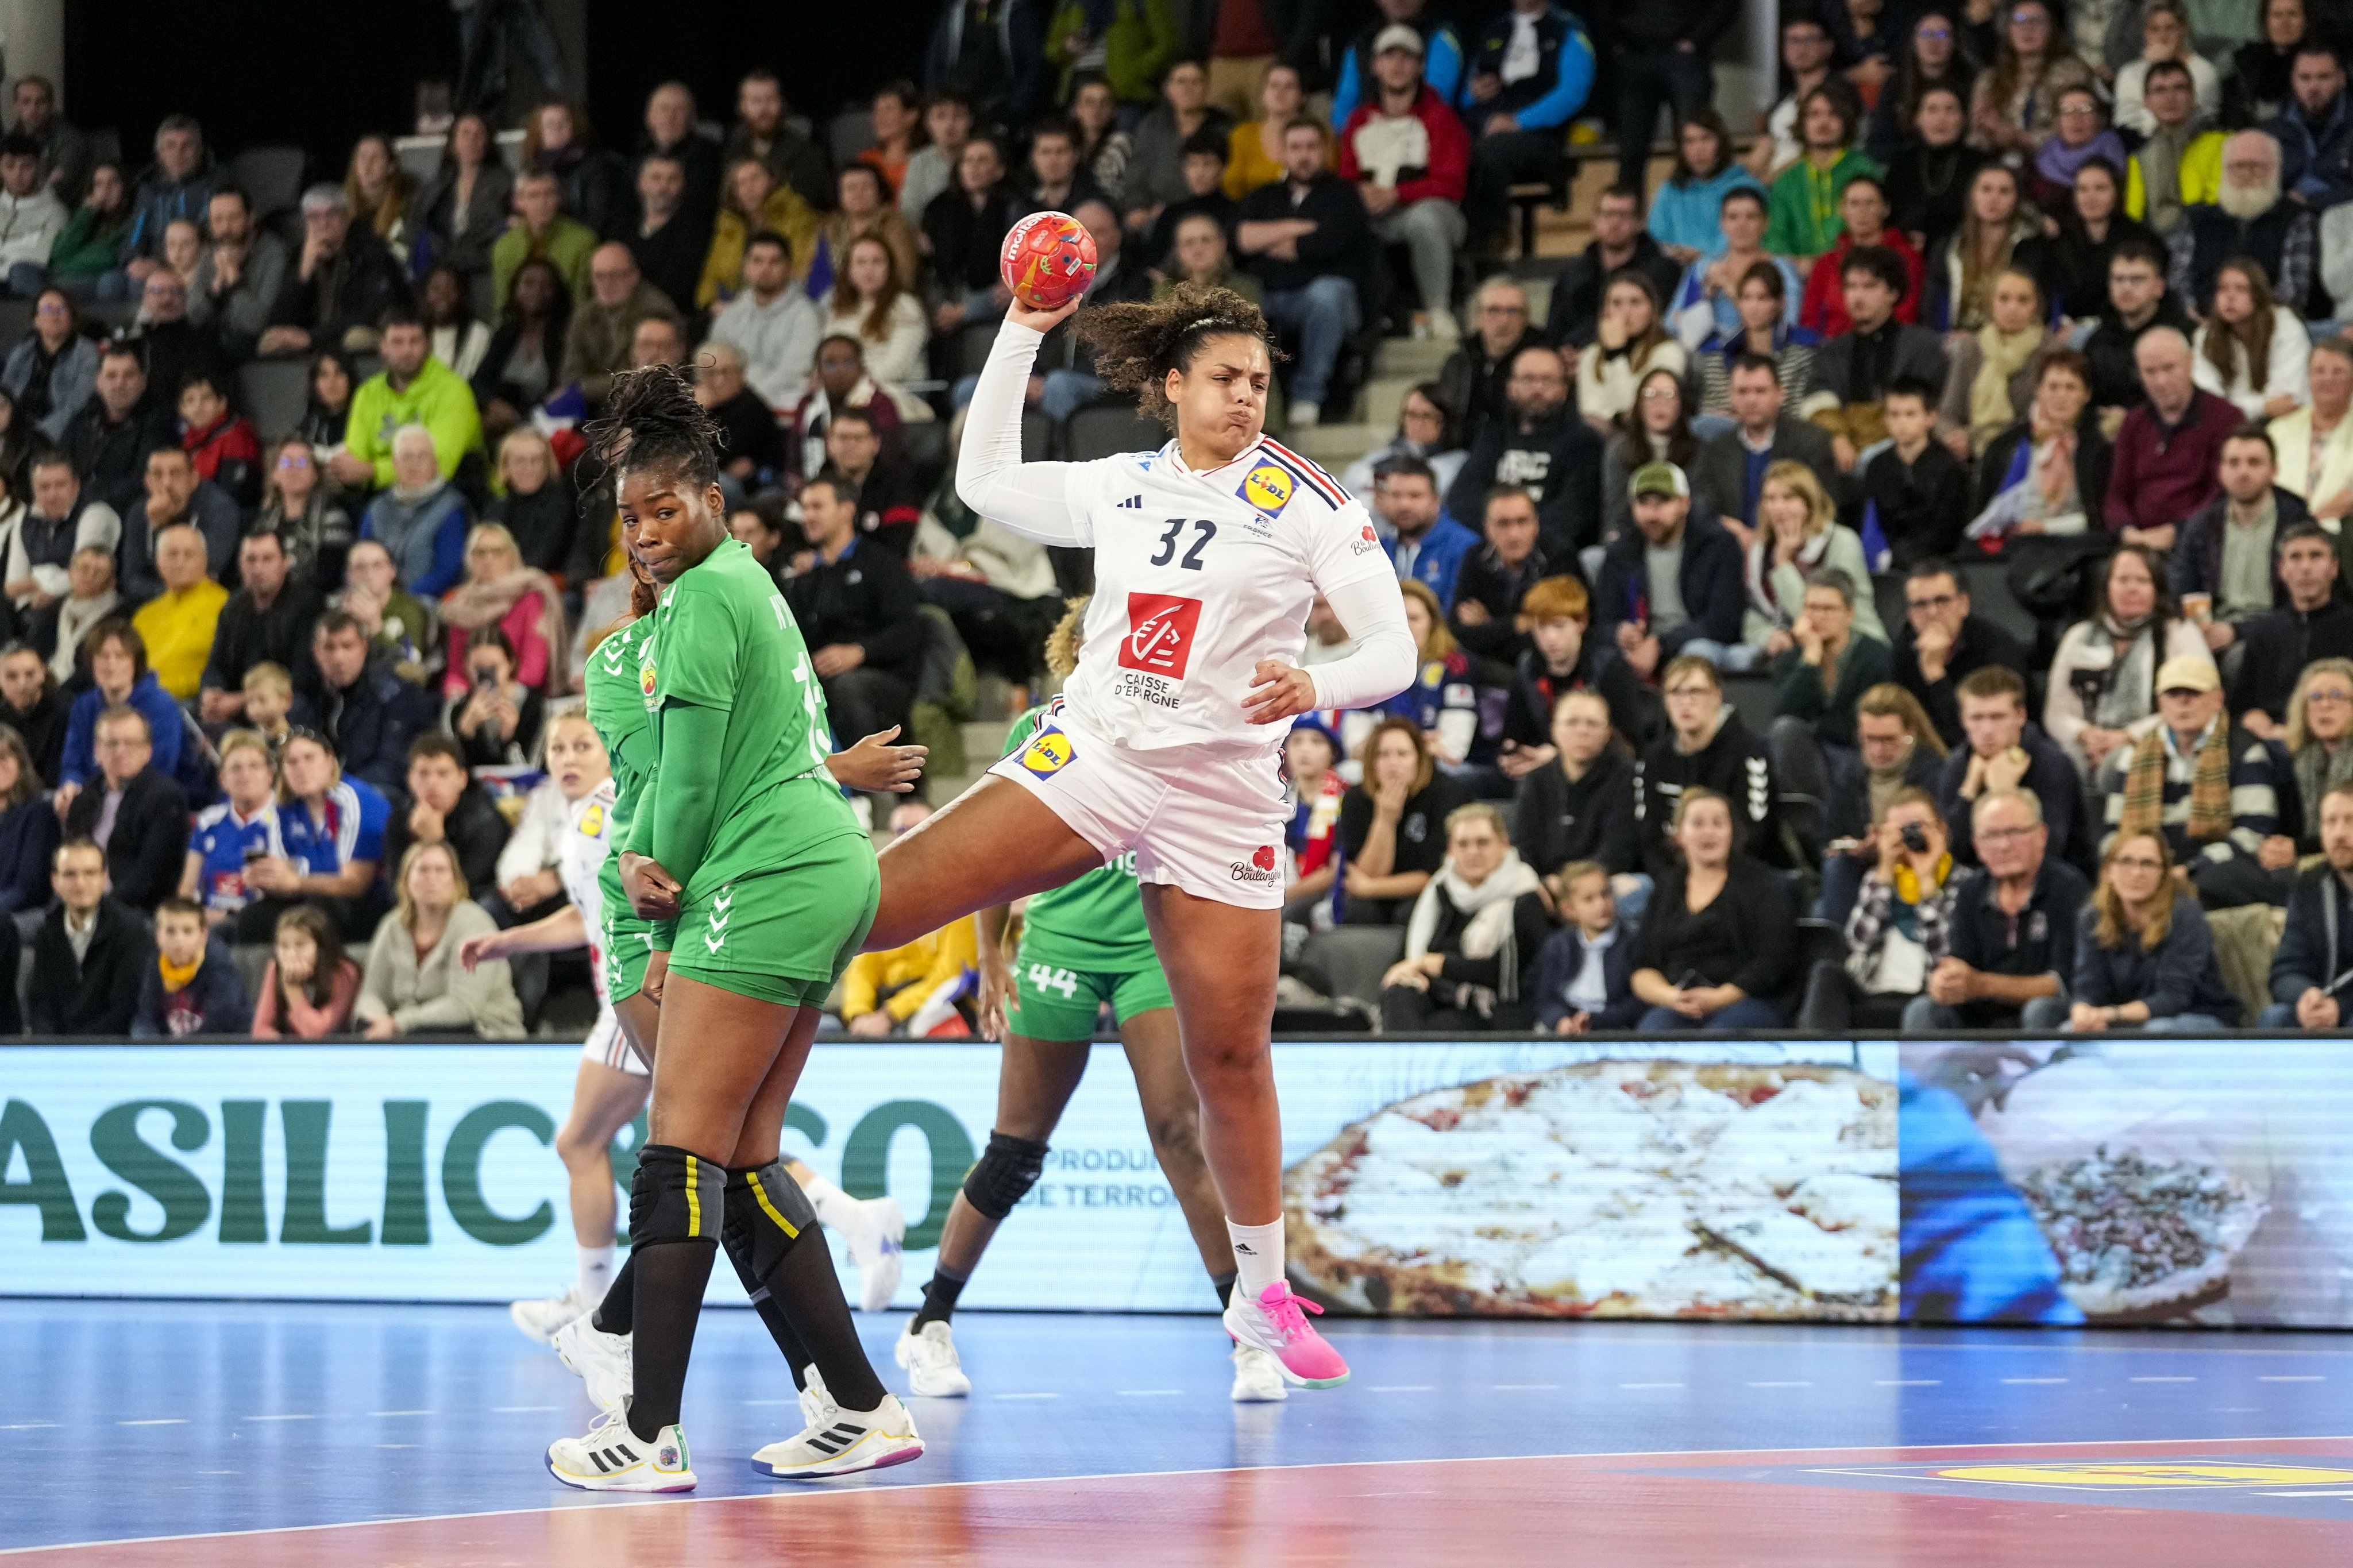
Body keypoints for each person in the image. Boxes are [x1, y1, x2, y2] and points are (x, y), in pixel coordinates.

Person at [878, 276, 1410, 1395]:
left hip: (1222, 794)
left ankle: (1260, 1298)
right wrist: (1019, 327)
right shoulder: (1119, 486)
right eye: (1224, 378)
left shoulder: (1309, 501)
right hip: (1104, 754)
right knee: (883, 906)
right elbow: (979, 480)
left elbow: (1392, 653)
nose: (1246, 396)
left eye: (1261, 380)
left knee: (1228, 1063)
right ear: (1170, 388)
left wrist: (1311, 684)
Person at [541, 367, 926, 1491]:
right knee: (748, 1156)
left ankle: (646, 1432)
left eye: (669, 507)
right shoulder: (745, 585)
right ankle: (860, 1409)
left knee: (678, 1154)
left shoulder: (705, 598)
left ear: (714, 501)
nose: (650, 533)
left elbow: (691, 784)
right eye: (631, 517)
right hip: (823, 863)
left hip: (759, 878)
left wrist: (657, 895)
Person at [898, 594, 1268, 1391]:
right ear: (1083, 649)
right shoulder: (1040, 729)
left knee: (1180, 1134)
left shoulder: (1181, 721)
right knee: (1017, 1147)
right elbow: (995, 850)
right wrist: (991, 956)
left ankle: (1248, 1335)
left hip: (1149, 951)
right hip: (1059, 946)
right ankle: (929, 1320)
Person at [2096, 654, 2285, 908]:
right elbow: (2114, 833)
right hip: (2147, 866)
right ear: (2160, 702)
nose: (2183, 702)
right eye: (2174, 694)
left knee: (2216, 881)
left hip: (2212, 869)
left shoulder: (2245, 751)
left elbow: (2253, 833)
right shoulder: (2133, 755)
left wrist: (2192, 868)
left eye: (2193, 693)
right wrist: (2136, 868)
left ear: (2217, 699)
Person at [1904, 786, 2086, 1029]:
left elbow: (2061, 983)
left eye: (2014, 832)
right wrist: (1946, 981)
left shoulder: (2069, 888)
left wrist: (1982, 985)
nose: (2003, 846)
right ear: (1977, 846)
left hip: (2046, 1013)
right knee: (1923, 1010)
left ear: (2042, 836)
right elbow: (1961, 962)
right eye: (1991, 836)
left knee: (2040, 1010)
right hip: (1981, 1015)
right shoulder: (1971, 889)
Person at [1233, 117, 1371, 429]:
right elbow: (1242, 239)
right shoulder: (1263, 196)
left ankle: (1308, 396)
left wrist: (1270, 240)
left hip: (1328, 302)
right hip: (1270, 296)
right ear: (1283, 153)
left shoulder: (1343, 195)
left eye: (1311, 147)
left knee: (1327, 294)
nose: (1304, 155)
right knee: (1238, 299)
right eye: (1296, 148)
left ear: (1324, 152)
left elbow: (1327, 244)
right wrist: (1300, 228)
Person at [1336, 25, 1470, 339]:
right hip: (1377, 214)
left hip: (1437, 215)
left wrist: (1397, 194)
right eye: (1389, 57)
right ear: (1375, 66)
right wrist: (1362, 194)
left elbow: (1451, 184)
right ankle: (1364, 321)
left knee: (1425, 220)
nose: (1397, 65)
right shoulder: (1358, 120)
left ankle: (1438, 310)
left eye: (1406, 58)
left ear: (1420, 67)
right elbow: (1346, 177)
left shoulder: (1440, 118)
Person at [1628, 787, 1797, 1029]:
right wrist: (1673, 997)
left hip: (1747, 1001)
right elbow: (1642, 966)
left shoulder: (1763, 884)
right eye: (1698, 824)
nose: (1709, 832)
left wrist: (1720, 998)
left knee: (1715, 1040)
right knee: (1654, 1032)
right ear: (1680, 836)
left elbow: (1773, 961)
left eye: (1718, 824)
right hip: (1680, 1002)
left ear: (1732, 833)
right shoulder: (1666, 886)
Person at [1376, 801, 1550, 1030]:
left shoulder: (1525, 897)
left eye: (1483, 843)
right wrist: (1415, 971)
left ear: (1504, 845)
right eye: (1463, 844)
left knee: (1441, 1026)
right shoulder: (1439, 891)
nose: (1473, 852)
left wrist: (1438, 964)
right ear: (1451, 850)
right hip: (1439, 995)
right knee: (1400, 993)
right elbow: (1408, 959)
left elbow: (1509, 975)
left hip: (1494, 1007)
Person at [2046, 543, 2214, 779]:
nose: (2132, 589)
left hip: (2157, 739)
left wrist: (2128, 735)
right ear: (2107, 587)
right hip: (2086, 742)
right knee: (2063, 766)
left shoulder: (2179, 633)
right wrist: (2086, 735)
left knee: (2115, 767)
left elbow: (2203, 702)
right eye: (2123, 580)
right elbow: (2057, 711)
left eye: (2142, 581)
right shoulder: (2079, 636)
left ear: (2158, 589)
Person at [1800, 786, 1958, 1029]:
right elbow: (1857, 945)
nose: (1907, 838)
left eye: (1916, 828)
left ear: (1942, 830)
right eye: (1898, 831)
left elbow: (1945, 957)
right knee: (1826, 973)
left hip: (1928, 1002)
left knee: (1923, 1010)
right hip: (1874, 994)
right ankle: (1817, 1061)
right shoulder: (1878, 879)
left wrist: (1927, 882)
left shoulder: (1963, 882)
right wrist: (1884, 871)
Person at [2067, 829, 2243, 1029]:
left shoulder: (2185, 914)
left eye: (2148, 864)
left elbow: (2174, 998)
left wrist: (2109, 1015)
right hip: (2124, 1018)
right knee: (2066, 1029)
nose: (2137, 873)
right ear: (2109, 869)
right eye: (2126, 861)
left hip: (2195, 1014)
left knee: (2157, 1032)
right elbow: (2089, 985)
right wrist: (2082, 1011)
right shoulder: (2092, 917)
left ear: (2163, 873)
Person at [1634, 651, 1789, 876]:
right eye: (1675, 693)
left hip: (1739, 877)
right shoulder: (1653, 757)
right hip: (1669, 878)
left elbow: (1754, 834)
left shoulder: (1749, 751)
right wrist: (1674, 884)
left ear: (1717, 697)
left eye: (1695, 692)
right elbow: (1648, 837)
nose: (1685, 702)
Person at [1460, 0, 1596, 253]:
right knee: (1452, 149)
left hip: (1539, 135)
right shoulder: (1495, 29)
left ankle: (1491, 240)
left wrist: (1518, 122)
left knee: (1490, 153)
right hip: (1487, 123)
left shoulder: (1569, 30)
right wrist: (1474, 92)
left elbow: (1574, 92)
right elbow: (1465, 93)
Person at [355, 840, 524, 1038]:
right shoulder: (392, 925)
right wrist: (376, 1019)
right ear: (406, 880)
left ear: (455, 880)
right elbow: (372, 993)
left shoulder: (473, 922)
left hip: (485, 1033)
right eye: (423, 870)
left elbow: (464, 1006)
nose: (431, 878)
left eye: (441, 870)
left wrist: (397, 1023)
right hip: (413, 1037)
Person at [1594, 460, 1746, 680]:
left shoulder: (1718, 545)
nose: (1652, 514)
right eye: (1643, 503)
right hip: (1640, 645)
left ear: (1685, 503)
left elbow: (1723, 622)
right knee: (1604, 658)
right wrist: (1620, 633)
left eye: (1662, 502)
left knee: (1697, 654)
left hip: (1696, 642)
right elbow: (1602, 620)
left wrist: (1660, 644)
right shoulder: (1621, 552)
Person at [1798, 245, 1949, 465]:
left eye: (1869, 287)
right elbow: (1818, 400)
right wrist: (1838, 438)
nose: (1858, 297)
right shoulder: (1831, 351)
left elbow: (1924, 408)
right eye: (1851, 287)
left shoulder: (1923, 347)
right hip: (1842, 456)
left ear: (1893, 293)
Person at [1445, 345, 1599, 560]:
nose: (1538, 389)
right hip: (1489, 546)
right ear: (1511, 387)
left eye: (1548, 381)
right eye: (1528, 380)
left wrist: (1519, 539)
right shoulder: (1493, 434)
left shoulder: (1583, 441)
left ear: (1564, 391)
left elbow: (1574, 512)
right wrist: (1499, 536)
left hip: (1550, 553)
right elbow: (1464, 498)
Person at [2170, 426, 2309, 660]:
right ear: (2221, 471)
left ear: (2274, 470)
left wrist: (2238, 632)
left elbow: (2307, 603)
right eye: (2234, 463)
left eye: (2254, 463)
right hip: (2211, 632)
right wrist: (2200, 630)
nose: (2243, 472)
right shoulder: (2202, 526)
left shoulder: (2297, 524)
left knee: (2240, 658)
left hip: (2280, 631)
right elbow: (2182, 591)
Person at [245, 724, 391, 939]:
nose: (301, 768)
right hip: (311, 899)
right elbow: (285, 876)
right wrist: (266, 879)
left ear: (330, 761)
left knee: (319, 911)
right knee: (253, 918)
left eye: (309, 758)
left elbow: (356, 884)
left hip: (365, 905)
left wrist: (296, 882)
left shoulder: (355, 800)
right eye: (292, 762)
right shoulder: (283, 808)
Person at [1935, 663, 2086, 870]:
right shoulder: (1958, 765)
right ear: (1963, 720)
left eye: (1997, 717)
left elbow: (2048, 851)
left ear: (2021, 716)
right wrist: (1969, 791)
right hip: (1978, 884)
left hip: (2056, 885)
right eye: (1977, 718)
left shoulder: (2052, 764)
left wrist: (2003, 794)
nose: (1987, 730)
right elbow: (1949, 853)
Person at [2103, 326, 2238, 550]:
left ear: (2190, 364)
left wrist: (2177, 531)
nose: (2161, 381)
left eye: (2169, 368)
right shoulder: (2133, 423)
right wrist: (2127, 532)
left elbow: (2221, 495)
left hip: (2199, 543)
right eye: (2150, 372)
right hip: (2137, 544)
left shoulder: (2225, 418)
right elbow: (2117, 493)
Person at [1689, 354, 1842, 546]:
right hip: (1734, 549)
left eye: (1760, 391)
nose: (1751, 400)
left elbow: (1824, 508)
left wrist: (1766, 543)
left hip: (1798, 546)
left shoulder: (1811, 441)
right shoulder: (1717, 448)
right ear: (1731, 396)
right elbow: (1702, 506)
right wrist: (1733, 530)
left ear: (1780, 394)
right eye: (1742, 392)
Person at [1742, 463, 1884, 666]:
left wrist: (1783, 564)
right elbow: (1753, 613)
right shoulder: (1760, 550)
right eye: (1770, 499)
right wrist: (1769, 636)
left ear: (1809, 503)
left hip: (1854, 648)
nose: (1778, 508)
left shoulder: (1841, 542)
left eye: (1789, 498)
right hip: (1793, 648)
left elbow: (1823, 614)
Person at [1508, 687, 1643, 898]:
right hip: (1546, 887)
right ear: (1554, 730)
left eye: (1592, 723)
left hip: (1602, 884)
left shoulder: (1627, 777)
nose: (1582, 731)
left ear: (1608, 732)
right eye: (1572, 722)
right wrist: (1542, 884)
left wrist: (1569, 885)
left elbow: (1618, 851)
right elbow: (1522, 847)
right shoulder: (1536, 780)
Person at [1969, 345, 2109, 544]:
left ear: (2086, 395)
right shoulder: (2006, 446)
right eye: (2053, 387)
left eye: (2071, 387)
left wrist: (2045, 528)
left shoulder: (2098, 449)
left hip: (2077, 549)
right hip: (2011, 548)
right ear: (2038, 391)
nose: (2061, 396)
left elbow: (2099, 520)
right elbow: (1983, 515)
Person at [1337, 715, 1467, 925]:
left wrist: (1371, 888)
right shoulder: (1356, 798)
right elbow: (1364, 874)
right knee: (1357, 911)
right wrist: (1385, 819)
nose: (1393, 763)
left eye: (1402, 754)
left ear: (1419, 758)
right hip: (1377, 894)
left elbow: (1436, 875)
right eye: (1383, 755)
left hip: (1426, 891)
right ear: (1372, 763)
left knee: (1411, 912)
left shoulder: (1446, 793)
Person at [2169, 129, 2316, 316]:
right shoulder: (2198, 219)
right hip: (2203, 323)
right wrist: (2198, 318)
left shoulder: (2297, 218)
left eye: (2257, 166)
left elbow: (2295, 290)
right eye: (2239, 166)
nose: (2248, 174)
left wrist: (2249, 322)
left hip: (2271, 326)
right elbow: (2178, 281)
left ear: (2276, 169)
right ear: (2225, 170)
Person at [1890, 558, 2031, 748]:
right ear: (1910, 614)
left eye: (1942, 601)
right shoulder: (1903, 649)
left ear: (1963, 604)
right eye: (1920, 604)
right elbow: (1900, 722)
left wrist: (1935, 674)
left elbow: (1973, 734)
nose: (1932, 612)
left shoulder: (1996, 647)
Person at [259, 184, 411, 358]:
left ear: (347, 218)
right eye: (314, 217)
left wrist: (313, 337)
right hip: (315, 337)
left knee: (356, 338)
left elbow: (373, 312)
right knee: (270, 340)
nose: (323, 224)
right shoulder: (298, 256)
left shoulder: (371, 251)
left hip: (347, 335)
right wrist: (303, 275)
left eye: (331, 215)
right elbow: (278, 320)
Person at [298, 610, 436, 796]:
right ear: (316, 652)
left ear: (363, 648)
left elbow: (392, 769)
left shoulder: (394, 694)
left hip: (376, 798)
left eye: (347, 647)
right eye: (329, 648)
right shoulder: (305, 696)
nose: (338, 658)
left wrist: (338, 793)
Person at [53, 619, 189, 798]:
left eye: (121, 656)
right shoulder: (83, 705)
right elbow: (72, 764)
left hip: (151, 800)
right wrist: (71, 787)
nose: (111, 665)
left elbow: (161, 767)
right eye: (103, 656)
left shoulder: (161, 706)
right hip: (95, 797)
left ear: (136, 663)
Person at [28, 837, 151, 1034]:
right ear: (55, 882)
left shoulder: (131, 931)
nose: (80, 883)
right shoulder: (47, 932)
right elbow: (41, 1006)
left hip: (110, 1051)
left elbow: (125, 1009)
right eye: (70, 874)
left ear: (104, 878)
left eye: (90, 873)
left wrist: (79, 1049)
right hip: (57, 1052)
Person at [1546, 183, 1685, 353]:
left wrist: (1592, 355)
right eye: (1607, 215)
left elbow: (1664, 329)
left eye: (1623, 215)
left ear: (1639, 222)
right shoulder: (1573, 274)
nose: (1614, 223)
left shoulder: (1663, 272)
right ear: (1595, 220)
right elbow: (1554, 330)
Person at [2236, 533, 2353, 731]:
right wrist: (2258, 722)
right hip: (2274, 739)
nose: (2306, 568)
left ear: (2333, 568)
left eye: (2316, 556)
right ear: (2282, 570)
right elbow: (2243, 706)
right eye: (2295, 557)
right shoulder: (2264, 632)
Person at [2018, 156, 2156, 323]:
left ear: (2117, 192)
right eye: (2083, 189)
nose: (2091, 197)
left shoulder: (2141, 239)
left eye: (2101, 189)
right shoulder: (2059, 240)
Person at [2262, 777, 2353, 1025]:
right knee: (2274, 1018)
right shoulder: (2309, 886)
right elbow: (2285, 970)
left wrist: (2341, 1008)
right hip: (2322, 1006)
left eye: (2350, 821)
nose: (2339, 834)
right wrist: (2305, 996)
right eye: (2330, 823)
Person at [1934, 268, 2049, 461]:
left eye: (2023, 300)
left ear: (2035, 306)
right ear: (1990, 304)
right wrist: (1954, 438)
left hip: (2027, 454)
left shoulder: (2051, 352)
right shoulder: (1970, 348)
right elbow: (1947, 415)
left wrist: (1979, 439)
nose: (2012, 308)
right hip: (1971, 455)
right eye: (2004, 299)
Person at [1686, 258, 1819, 420]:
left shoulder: (1802, 353)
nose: (1753, 307)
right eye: (1747, 298)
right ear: (1738, 303)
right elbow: (1710, 417)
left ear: (1781, 303)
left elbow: (1800, 416)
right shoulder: (1717, 355)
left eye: (1762, 298)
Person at [1764, 87, 1883, 263]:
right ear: (1802, 124)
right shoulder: (1787, 180)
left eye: (1833, 115)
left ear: (1845, 122)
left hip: (1856, 267)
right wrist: (1797, 264)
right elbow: (1775, 238)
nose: (1823, 123)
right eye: (1814, 115)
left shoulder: (1864, 170)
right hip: (1798, 274)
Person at [1798, 176, 1924, 337]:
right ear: (1843, 210)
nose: (1862, 212)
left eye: (1870, 203)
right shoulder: (1827, 262)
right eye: (1854, 204)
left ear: (1885, 209)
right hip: (1833, 350)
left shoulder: (1907, 258)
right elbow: (1810, 320)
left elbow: (1906, 315)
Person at [2083, 235, 2196, 413]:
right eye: (2119, 280)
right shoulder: (2097, 342)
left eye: (2137, 280)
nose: (2126, 288)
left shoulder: (2188, 336)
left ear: (2159, 287)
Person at [1969, 0, 2094, 159]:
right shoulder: (1989, 80)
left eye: (2036, 20)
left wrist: (2019, 138)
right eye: (2020, 20)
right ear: (2008, 30)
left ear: (2052, 29)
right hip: (1998, 168)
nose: (2027, 28)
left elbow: (2077, 131)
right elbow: (1975, 139)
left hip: (2058, 166)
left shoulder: (2073, 74)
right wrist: (1991, 131)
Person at [1865, 377, 1969, 569]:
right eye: (1894, 415)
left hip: (1938, 564)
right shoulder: (1877, 466)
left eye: (1910, 414)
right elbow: (1873, 522)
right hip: (1886, 564)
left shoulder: (1949, 467)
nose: (1901, 422)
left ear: (1930, 418)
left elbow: (1948, 529)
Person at [180, 729, 279, 930]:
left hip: (258, 927)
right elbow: (187, 888)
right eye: (236, 768)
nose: (245, 775)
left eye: (254, 766)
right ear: (223, 779)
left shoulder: (285, 821)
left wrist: (228, 916)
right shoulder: (209, 821)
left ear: (270, 775)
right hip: (205, 924)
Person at [360, 426, 473, 599]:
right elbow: (359, 558)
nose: (415, 465)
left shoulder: (451, 508)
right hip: (374, 596)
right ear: (395, 465)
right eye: (407, 458)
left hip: (425, 600)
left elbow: (447, 572)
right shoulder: (378, 507)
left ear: (435, 463)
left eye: (423, 457)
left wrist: (398, 599)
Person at [2189, 257, 2308, 419]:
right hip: (2229, 425)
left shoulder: (2285, 327)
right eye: (2223, 289)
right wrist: (2263, 406)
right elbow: (2208, 403)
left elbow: (2288, 400)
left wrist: (2232, 407)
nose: (2230, 297)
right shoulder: (2205, 336)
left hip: (2286, 421)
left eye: (2241, 289)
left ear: (2258, 295)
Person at [117, 444, 237, 604]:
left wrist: (163, 527)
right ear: (147, 482)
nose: (166, 483)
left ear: (194, 479)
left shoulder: (219, 507)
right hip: (155, 604)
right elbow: (131, 580)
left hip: (206, 603)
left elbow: (204, 574)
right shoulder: (139, 512)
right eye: (158, 475)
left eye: (176, 474)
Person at [1922, 163, 2035, 333]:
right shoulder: (1948, 247)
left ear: (2016, 199)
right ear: (1972, 196)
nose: (1993, 199)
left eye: (2004, 191)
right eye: (1986, 190)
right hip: (1953, 340)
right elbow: (1932, 306)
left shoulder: (2032, 248)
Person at [62, 345, 174, 515]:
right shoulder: (83, 418)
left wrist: (83, 500)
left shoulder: (159, 424)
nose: (120, 384)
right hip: (72, 507)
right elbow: (59, 462)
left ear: (143, 381)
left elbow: (141, 482)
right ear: (98, 382)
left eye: (129, 375)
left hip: (121, 514)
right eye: (111, 376)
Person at [1530, 861, 1642, 1031]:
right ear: (1569, 909)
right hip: (1567, 1023)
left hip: (1614, 1027)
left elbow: (1637, 1003)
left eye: (1605, 894)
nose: (1601, 905)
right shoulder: (1558, 945)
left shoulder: (1633, 941)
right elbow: (1545, 998)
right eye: (1589, 899)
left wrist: (1595, 1021)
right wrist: (1560, 1020)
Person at [1602, 367, 1707, 544]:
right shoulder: (1619, 450)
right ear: (1639, 403)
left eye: (1669, 395)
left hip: (1686, 540)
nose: (1660, 403)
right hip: (1634, 540)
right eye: (1651, 395)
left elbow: (1702, 506)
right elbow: (1616, 512)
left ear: (1681, 404)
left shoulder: (1698, 449)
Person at [411, 114, 514, 289]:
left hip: (485, 270)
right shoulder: (435, 188)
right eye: (465, 133)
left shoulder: (505, 184)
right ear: (453, 143)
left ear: (488, 142)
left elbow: (504, 231)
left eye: (479, 134)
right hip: (442, 271)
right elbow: (418, 227)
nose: (472, 140)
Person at [1648, 111, 1765, 265]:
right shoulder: (1671, 189)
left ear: (1721, 143)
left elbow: (1747, 238)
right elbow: (1655, 238)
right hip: (1675, 270)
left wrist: (1704, 256)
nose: (1698, 149)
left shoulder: (1746, 187)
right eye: (1690, 141)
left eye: (1706, 139)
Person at [2125, 59, 2226, 238]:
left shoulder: (2223, 143)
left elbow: (2218, 208)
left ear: (2193, 97)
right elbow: (2133, 218)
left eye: (2179, 88)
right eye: (2160, 90)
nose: (2170, 98)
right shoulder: (2140, 157)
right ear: (2146, 102)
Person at [1574, 272, 1686, 432]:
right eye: (1617, 303)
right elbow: (1590, 412)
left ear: (1652, 310)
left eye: (1635, 303)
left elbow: (1635, 411)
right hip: (1597, 438)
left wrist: (1616, 353)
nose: (1626, 312)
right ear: (1605, 311)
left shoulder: (1669, 352)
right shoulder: (1591, 354)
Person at [1449, 485, 1549, 663]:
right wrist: (1515, 624)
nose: (1514, 534)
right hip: (1485, 666)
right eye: (1503, 524)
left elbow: (1555, 631)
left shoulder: (1557, 557)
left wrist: (1489, 626)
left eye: (1523, 521)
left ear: (1536, 524)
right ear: (1487, 528)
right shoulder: (1475, 557)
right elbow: (1458, 632)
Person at [126, 524, 225, 704]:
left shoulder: (224, 607)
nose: (180, 562)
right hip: (137, 698)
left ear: (205, 560)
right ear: (158, 563)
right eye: (172, 555)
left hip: (190, 702)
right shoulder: (144, 615)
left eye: (189, 555)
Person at [1342, 383, 1466, 522]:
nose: (1418, 424)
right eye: (1412, 415)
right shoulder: (1380, 457)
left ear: (1445, 422)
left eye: (1427, 416)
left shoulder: (1458, 464)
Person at [1885, 86, 1984, 260]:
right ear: (1918, 119)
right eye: (1932, 110)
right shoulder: (1902, 163)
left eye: (1950, 110)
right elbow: (1888, 216)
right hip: (1905, 254)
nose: (1941, 119)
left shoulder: (1980, 164)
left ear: (1963, 119)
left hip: (1963, 253)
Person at [1437, 277, 1540, 443]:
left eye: (1513, 311)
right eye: (1493, 311)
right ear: (1478, 317)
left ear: (1526, 318)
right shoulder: (1459, 362)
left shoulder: (1542, 363)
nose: (1504, 321)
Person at [132, 895, 248, 1037]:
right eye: (170, 931)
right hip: (172, 1051)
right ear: (158, 937)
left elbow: (221, 1022)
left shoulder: (220, 967)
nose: (179, 940)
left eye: (188, 931)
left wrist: (183, 1051)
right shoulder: (155, 965)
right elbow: (146, 1017)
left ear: (203, 936)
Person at [722, 69, 833, 213]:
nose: (764, 109)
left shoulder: (808, 154)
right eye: (756, 101)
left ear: (783, 105)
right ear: (742, 107)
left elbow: (808, 204)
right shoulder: (728, 154)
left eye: (771, 100)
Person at [256, 436, 356, 593]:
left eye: (302, 462)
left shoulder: (334, 518)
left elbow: (328, 579)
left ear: (315, 475)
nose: (294, 469)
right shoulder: (265, 521)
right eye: (286, 463)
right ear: (274, 474)